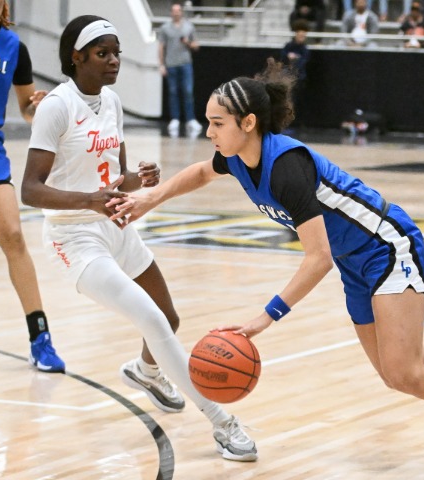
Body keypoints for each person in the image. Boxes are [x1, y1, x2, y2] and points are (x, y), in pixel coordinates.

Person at [110, 58, 424, 480]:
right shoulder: (237, 157)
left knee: (405, 372)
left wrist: (266, 316)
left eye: (217, 123)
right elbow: (202, 173)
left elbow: (317, 257)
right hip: (354, 261)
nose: (209, 132)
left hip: (386, 246)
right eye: (208, 122)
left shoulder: (287, 169)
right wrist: (152, 197)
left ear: (248, 123)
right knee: (395, 367)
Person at [21, 15, 257, 462]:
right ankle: (222, 421)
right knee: (151, 318)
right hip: (74, 238)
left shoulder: (111, 101)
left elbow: (117, 176)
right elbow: (30, 190)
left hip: (116, 224)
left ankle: (146, 371)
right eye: (102, 53)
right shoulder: (57, 106)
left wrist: (139, 179)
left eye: (117, 53)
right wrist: (90, 201)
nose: (114, 61)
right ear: (76, 57)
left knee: (167, 317)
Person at [0, 0, 65, 373]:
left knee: (13, 234)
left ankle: (40, 338)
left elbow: (26, 107)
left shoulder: (15, 48)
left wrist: (36, 108)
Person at [158, 2, 203, 138]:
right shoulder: (165, 28)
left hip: (185, 63)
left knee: (188, 91)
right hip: (171, 64)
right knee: (173, 92)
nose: (176, 13)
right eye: (174, 10)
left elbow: (196, 45)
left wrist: (187, 42)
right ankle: (175, 119)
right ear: (171, 13)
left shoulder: (189, 26)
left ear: (181, 12)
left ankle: (190, 119)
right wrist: (161, 64)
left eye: (178, 10)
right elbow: (161, 47)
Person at [280, 20, 311, 128]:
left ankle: (296, 122)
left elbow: (303, 62)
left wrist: (295, 61)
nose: (301, 37)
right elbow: (283, 57)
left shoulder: (305, 49)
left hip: (299, 79)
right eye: (300, 35)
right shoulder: (288, 46)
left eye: (303, 35)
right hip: (288, 78)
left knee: (297, 101)